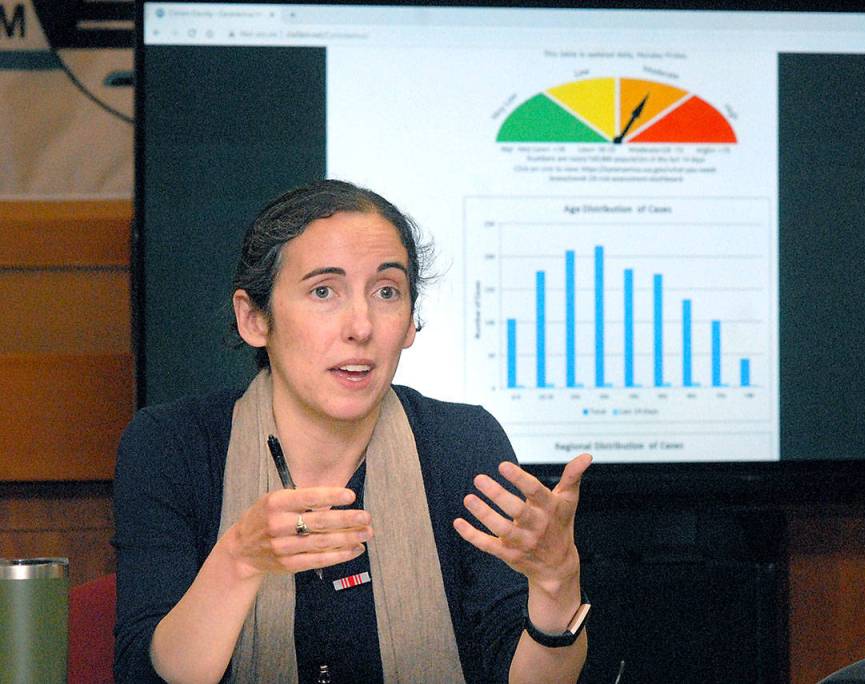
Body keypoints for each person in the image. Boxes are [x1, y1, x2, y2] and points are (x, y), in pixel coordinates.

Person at [113, 179, 592, 683]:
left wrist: (557, 584)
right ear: (254, 318)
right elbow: (147, 674)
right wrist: (239, 560)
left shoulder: (462, 442)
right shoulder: (171, 445)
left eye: (387, 292)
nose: (361, 327)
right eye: (324, 291)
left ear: (410, 323)